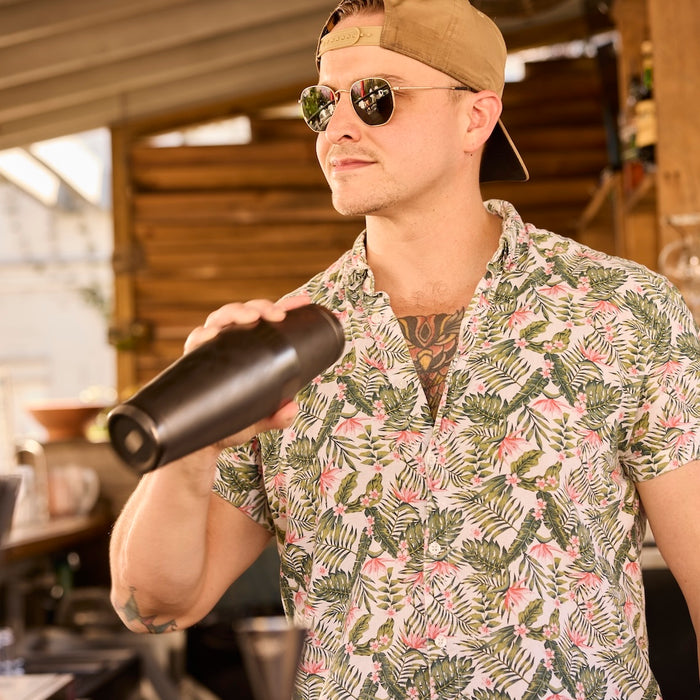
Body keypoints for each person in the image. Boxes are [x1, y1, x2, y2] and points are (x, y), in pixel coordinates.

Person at [109, 0, 700, 697]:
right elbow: (152, 606)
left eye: (376, 98)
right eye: (322, 103)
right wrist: (193, 445)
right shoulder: (278, 348)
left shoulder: (624, 312)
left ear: (475, 118)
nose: (338, 128)